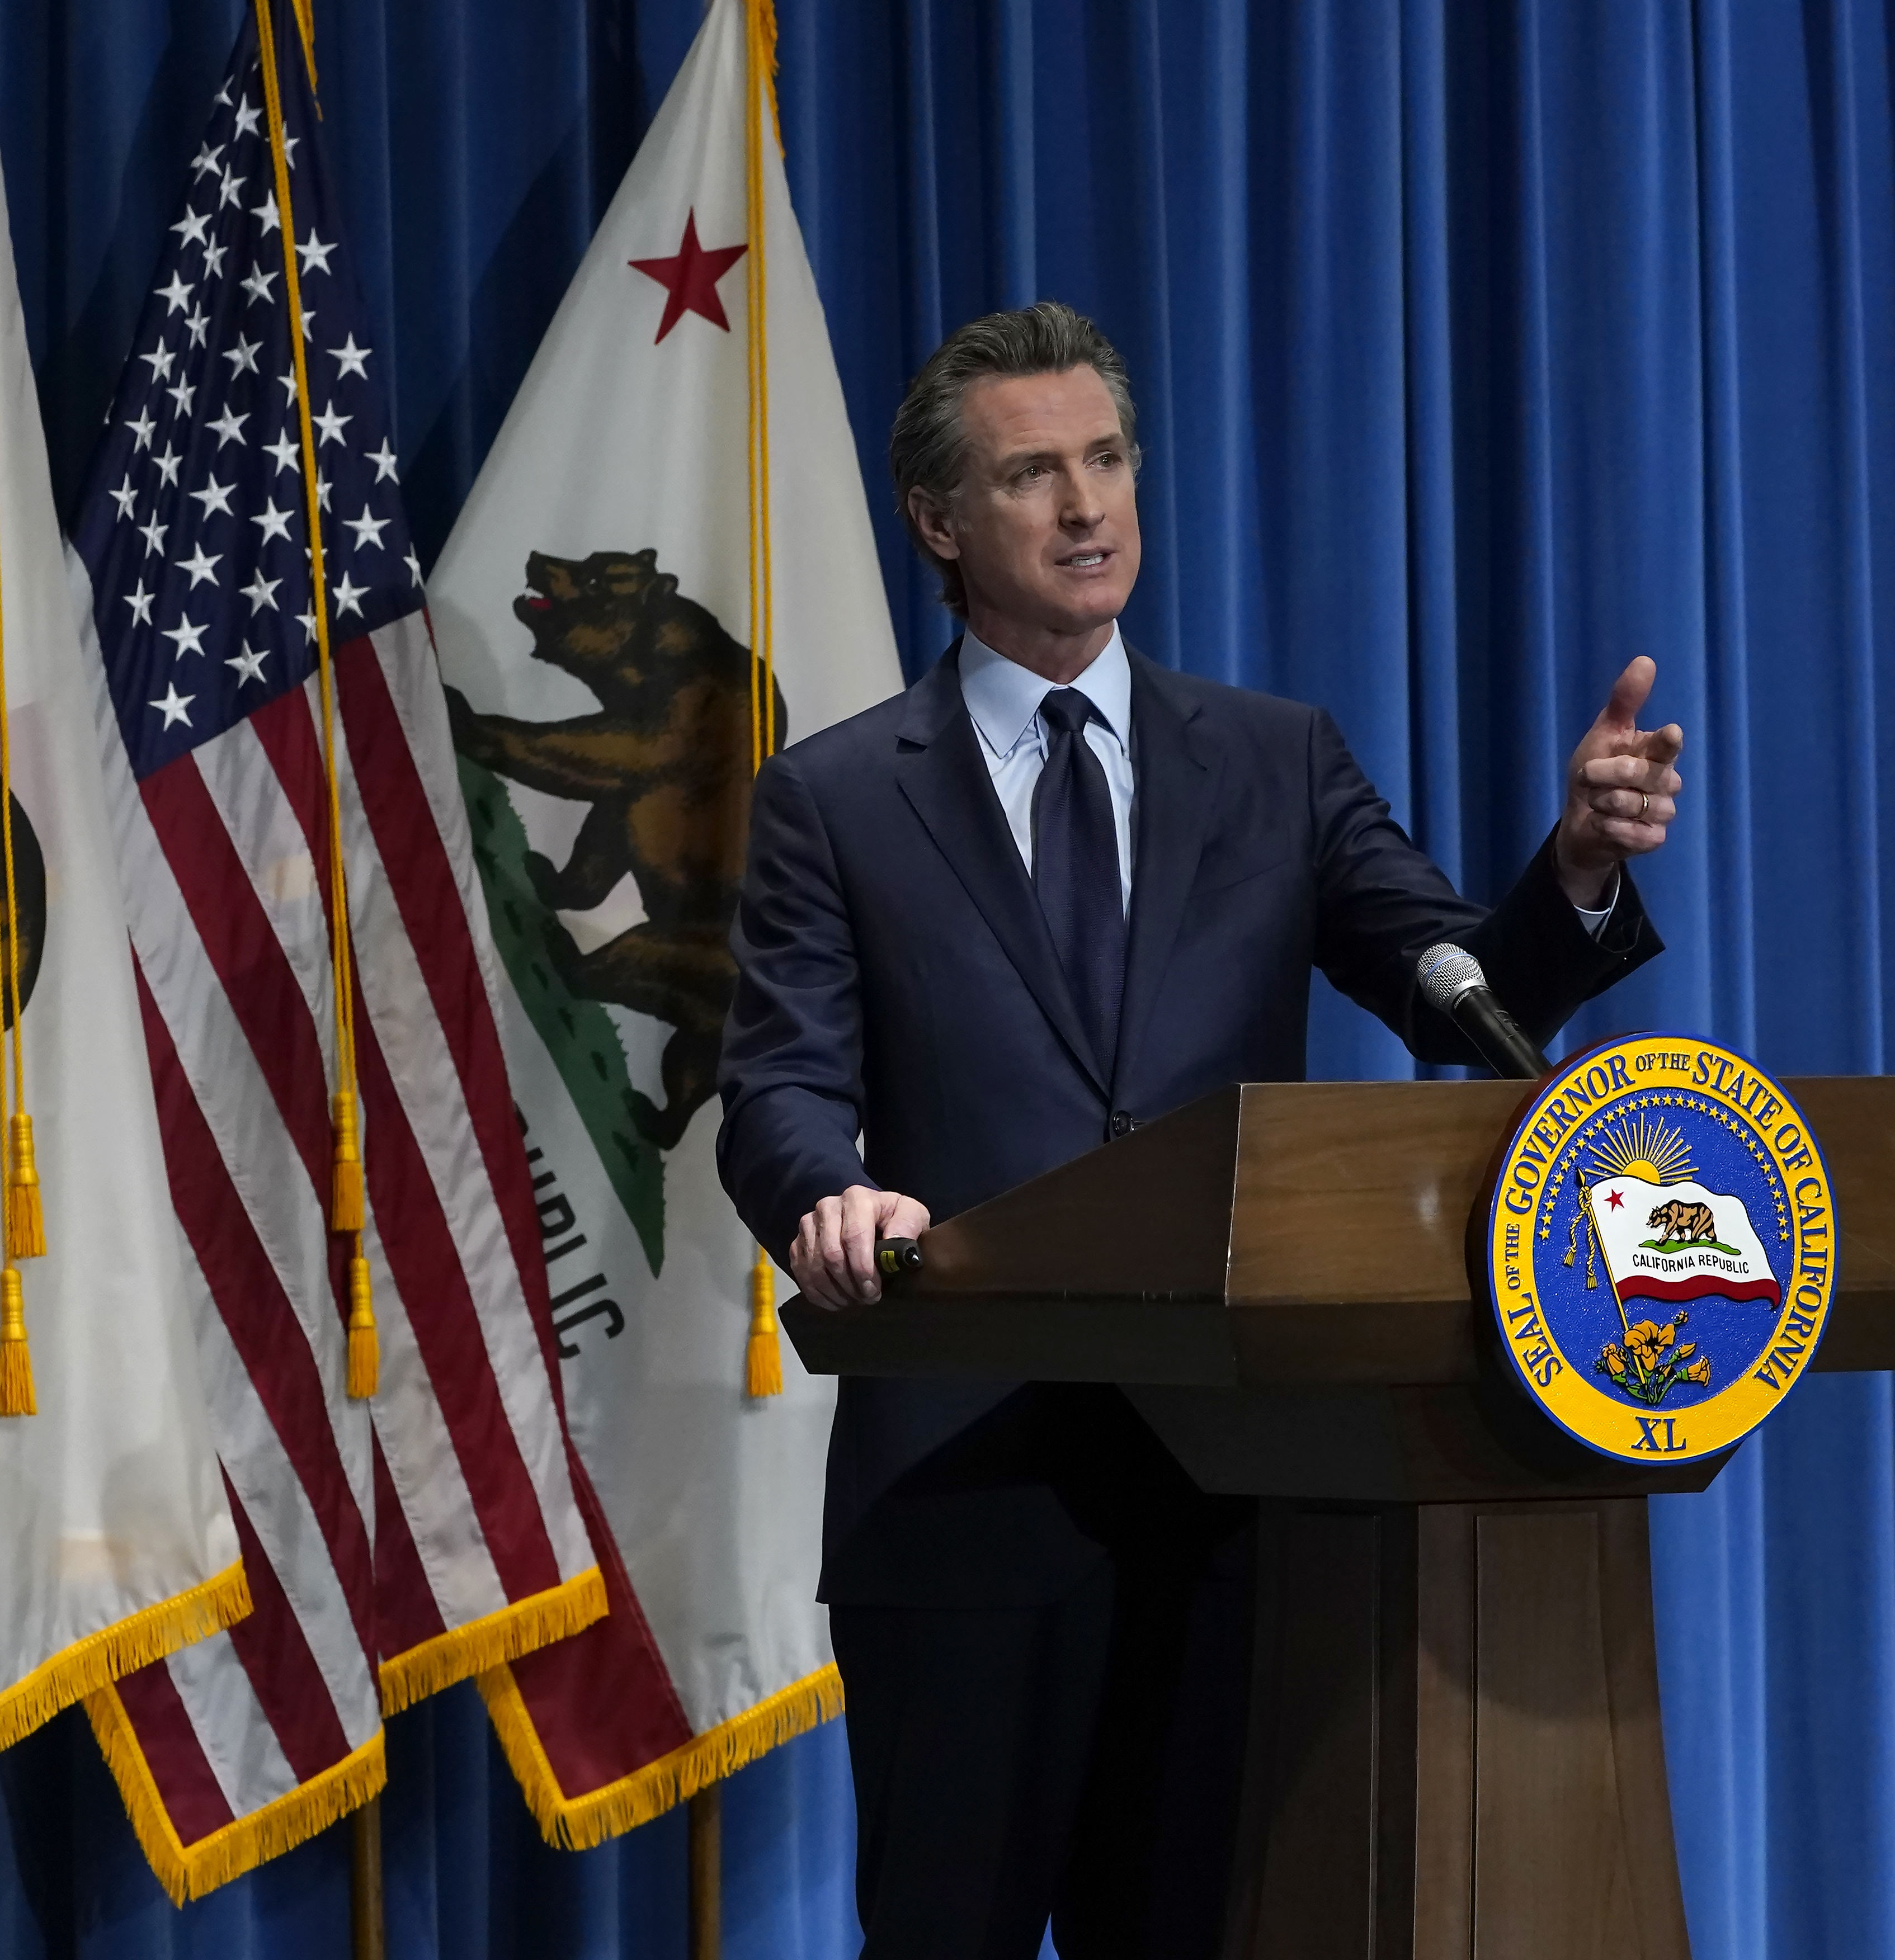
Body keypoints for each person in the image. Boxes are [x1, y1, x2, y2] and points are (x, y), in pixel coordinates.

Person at [713, 303, 1683, 1957]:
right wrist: (834, 1196)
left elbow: (1463, 998)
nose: (1086, 504)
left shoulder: (1272, 758)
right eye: (1033, 473)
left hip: (1236, 1491)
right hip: (964, 1483)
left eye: (1105, 460)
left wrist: (1577, 864)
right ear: (942, 524)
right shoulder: (837, 795)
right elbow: (778, 1089)